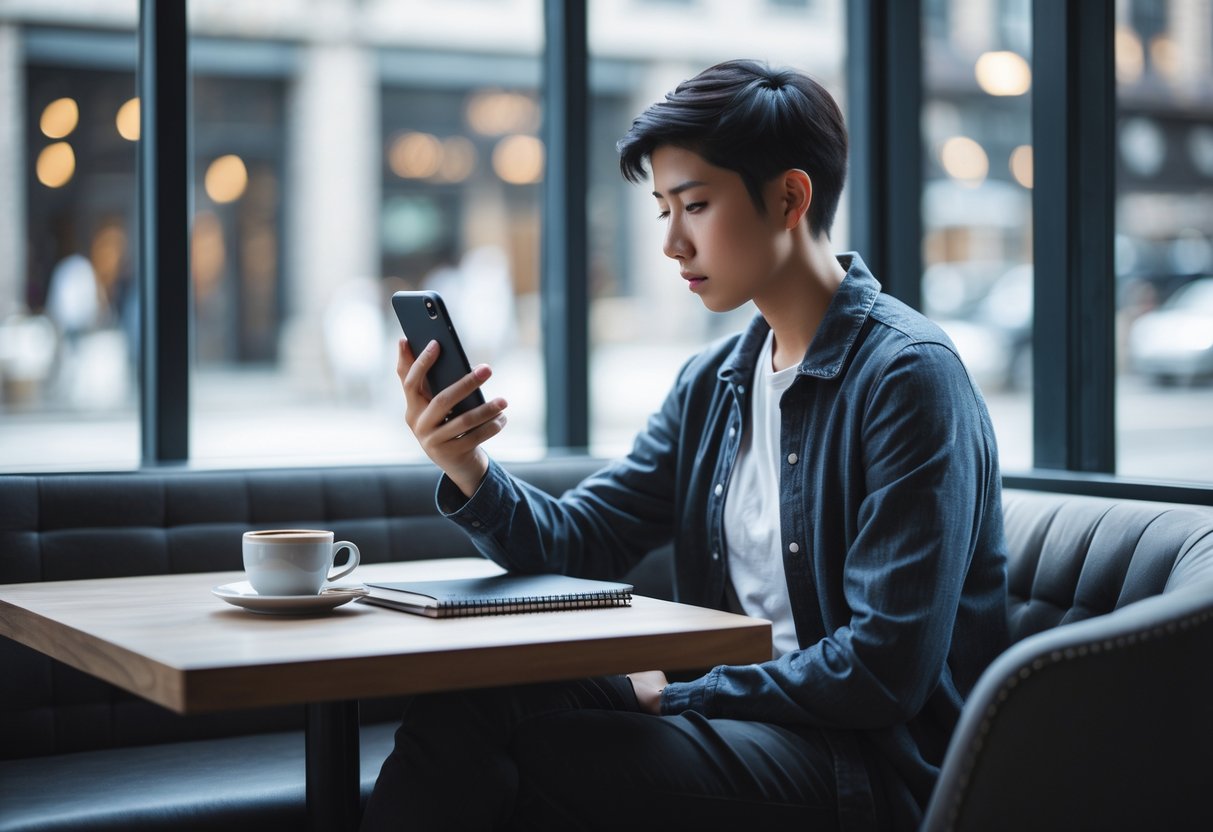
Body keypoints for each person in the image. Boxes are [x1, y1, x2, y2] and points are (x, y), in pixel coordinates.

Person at [362, 59, 1009, 831]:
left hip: (867, 765)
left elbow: (882, 670)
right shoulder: (716, 381)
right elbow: (581, 541)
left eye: (694, 205)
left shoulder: (906, 377)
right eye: (663, 209)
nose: (671, 242)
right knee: (470, 699)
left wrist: (677, 694)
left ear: (788, 198)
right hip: (742, 724)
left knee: (554, 754)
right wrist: (464, 462)